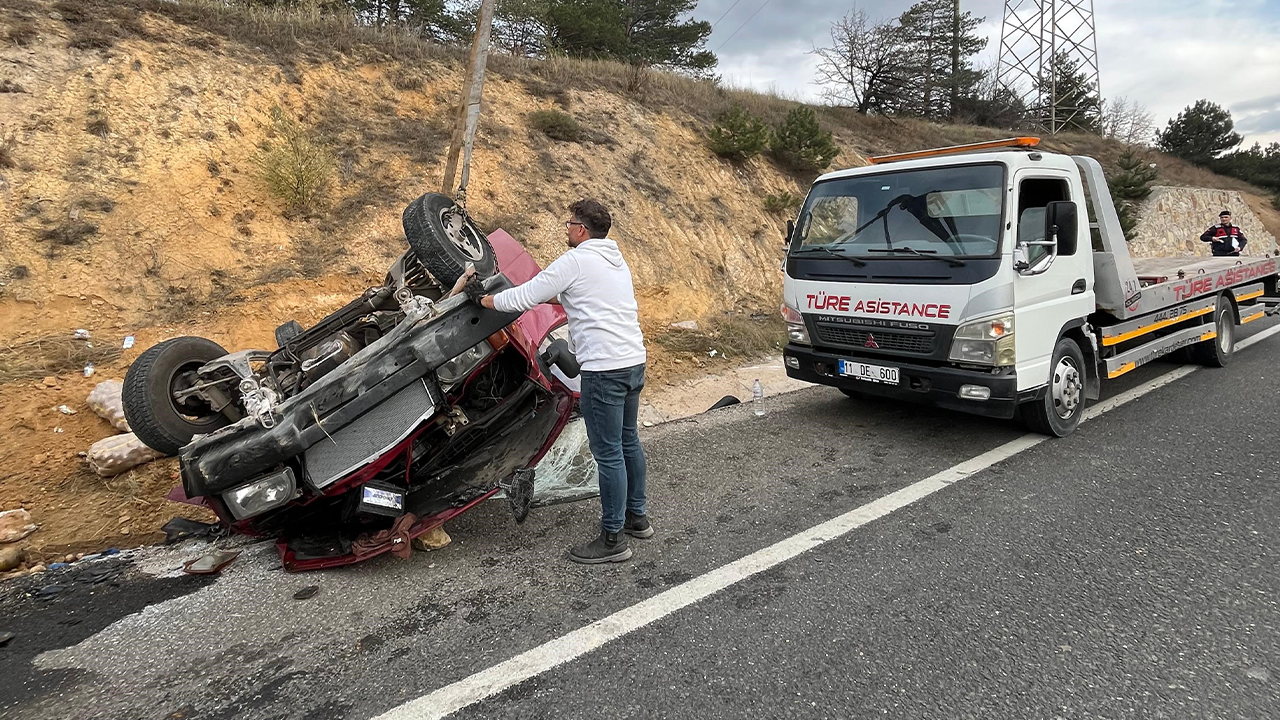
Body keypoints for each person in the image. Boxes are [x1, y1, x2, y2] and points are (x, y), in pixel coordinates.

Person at [476, 199, 651, 564]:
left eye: (569, 223)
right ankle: (638, 518)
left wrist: (486, 300)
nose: (566, 228)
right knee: (628, 440)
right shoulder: (614, 261)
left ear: (582, 230)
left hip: (604, 369)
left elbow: (525, 297)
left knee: (608, 454)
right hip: (633, 362)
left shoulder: (576, 259)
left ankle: (613, 538)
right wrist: (545, 293)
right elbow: (573, 294)